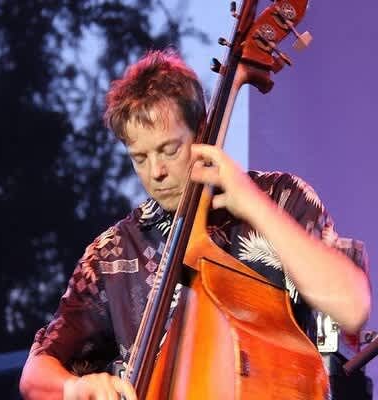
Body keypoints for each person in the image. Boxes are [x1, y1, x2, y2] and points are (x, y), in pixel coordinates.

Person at [19, 49, 371, 400]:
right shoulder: (112, 253)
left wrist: (252, 204)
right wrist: (73, 386)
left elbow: (352, 308)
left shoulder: (280, 197)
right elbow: (35, 374)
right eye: (140, 158)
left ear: (201, 131)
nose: (156, 172)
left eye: (169, 150)